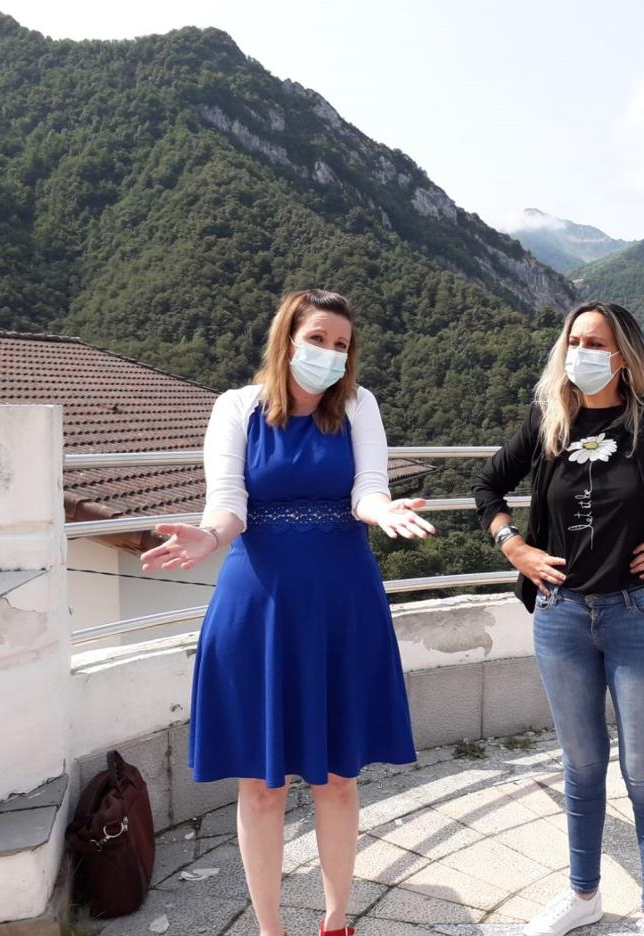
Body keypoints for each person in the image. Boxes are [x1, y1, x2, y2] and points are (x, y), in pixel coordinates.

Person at [141, 289, 435, 936]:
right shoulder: (236, 409)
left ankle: (335, 922)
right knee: (261, 785)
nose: (330, 354)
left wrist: (382, 511)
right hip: (259, 605)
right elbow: (228, 503)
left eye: (341, 345)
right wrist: (209, 537)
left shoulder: (358, 406)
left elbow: (368, 488)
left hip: (343, 600)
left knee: (335, 778)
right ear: (287, 339)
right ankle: (270, 930)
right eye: (319, 339)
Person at [472, 301, 644, 936]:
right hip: (560, 616)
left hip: (640, 616)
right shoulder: (549, 420)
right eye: (574, 340)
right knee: (582, 764)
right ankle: (584, 894)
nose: (581, 352)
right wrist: (514, 545)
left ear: (624, 355)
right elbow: (487, 487)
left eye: (595, 342)